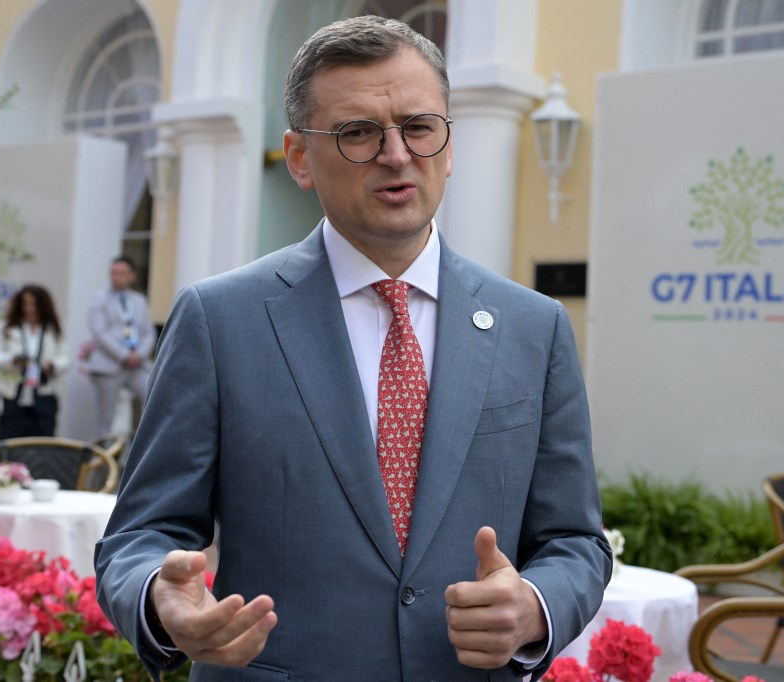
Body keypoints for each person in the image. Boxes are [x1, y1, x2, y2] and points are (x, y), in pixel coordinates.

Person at [95, 15, 611, 682]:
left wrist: (536, 607)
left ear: (449, 148)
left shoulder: (532, 327)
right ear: (301, 157)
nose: (396, 154)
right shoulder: (219, 320)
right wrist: (161, 599)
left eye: (419, 128)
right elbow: (140, 536)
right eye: (358, 133)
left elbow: (575, 541)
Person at [85, 255, 155, 438]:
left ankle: (139, 449)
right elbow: (99, 333)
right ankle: (104, 462)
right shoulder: (99, 298)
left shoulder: (139, 300)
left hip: (137, 365)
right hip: (109, 365)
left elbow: (148, 332)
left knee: (153, 396)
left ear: (132, 275)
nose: (117, 277)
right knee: (106, 418)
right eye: (113, 273)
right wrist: (123, 355)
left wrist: (139, 354)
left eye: (122, 274)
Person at [0, 284, 69, 439]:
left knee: (42, 440)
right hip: (13, 391)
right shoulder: (6, 327)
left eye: (34, 304)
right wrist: (12, 360)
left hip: (44, 391)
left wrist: (52, 366)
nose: (29, 309)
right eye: (25, 304)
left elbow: (65, 357)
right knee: (10, 438)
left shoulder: (54, 328)